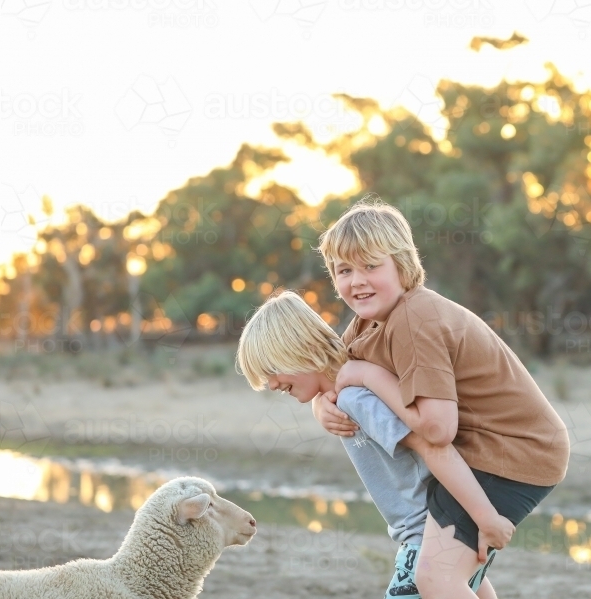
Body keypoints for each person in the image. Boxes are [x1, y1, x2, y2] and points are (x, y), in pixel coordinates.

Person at [313, 196, 571, 599]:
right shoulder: (367, 323)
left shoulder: (417, 318)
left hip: (513, 453)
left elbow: (436, 428)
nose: (357, 280)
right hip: (483, 454)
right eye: (344, 270)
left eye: (370, 265)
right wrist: (320, 406)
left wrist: (368, 374)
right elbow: (334, 378)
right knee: (457, 576)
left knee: (434, 579)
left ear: (402, 264)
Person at [235, 290, 508, 598]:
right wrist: (319, 404)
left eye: (273, 371)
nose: (272, 384)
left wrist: (486, 517)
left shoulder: (355, 398)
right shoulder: (344, 395)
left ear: (301, 350)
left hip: (429, 534)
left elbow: (433, 448)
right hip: (443, 529)